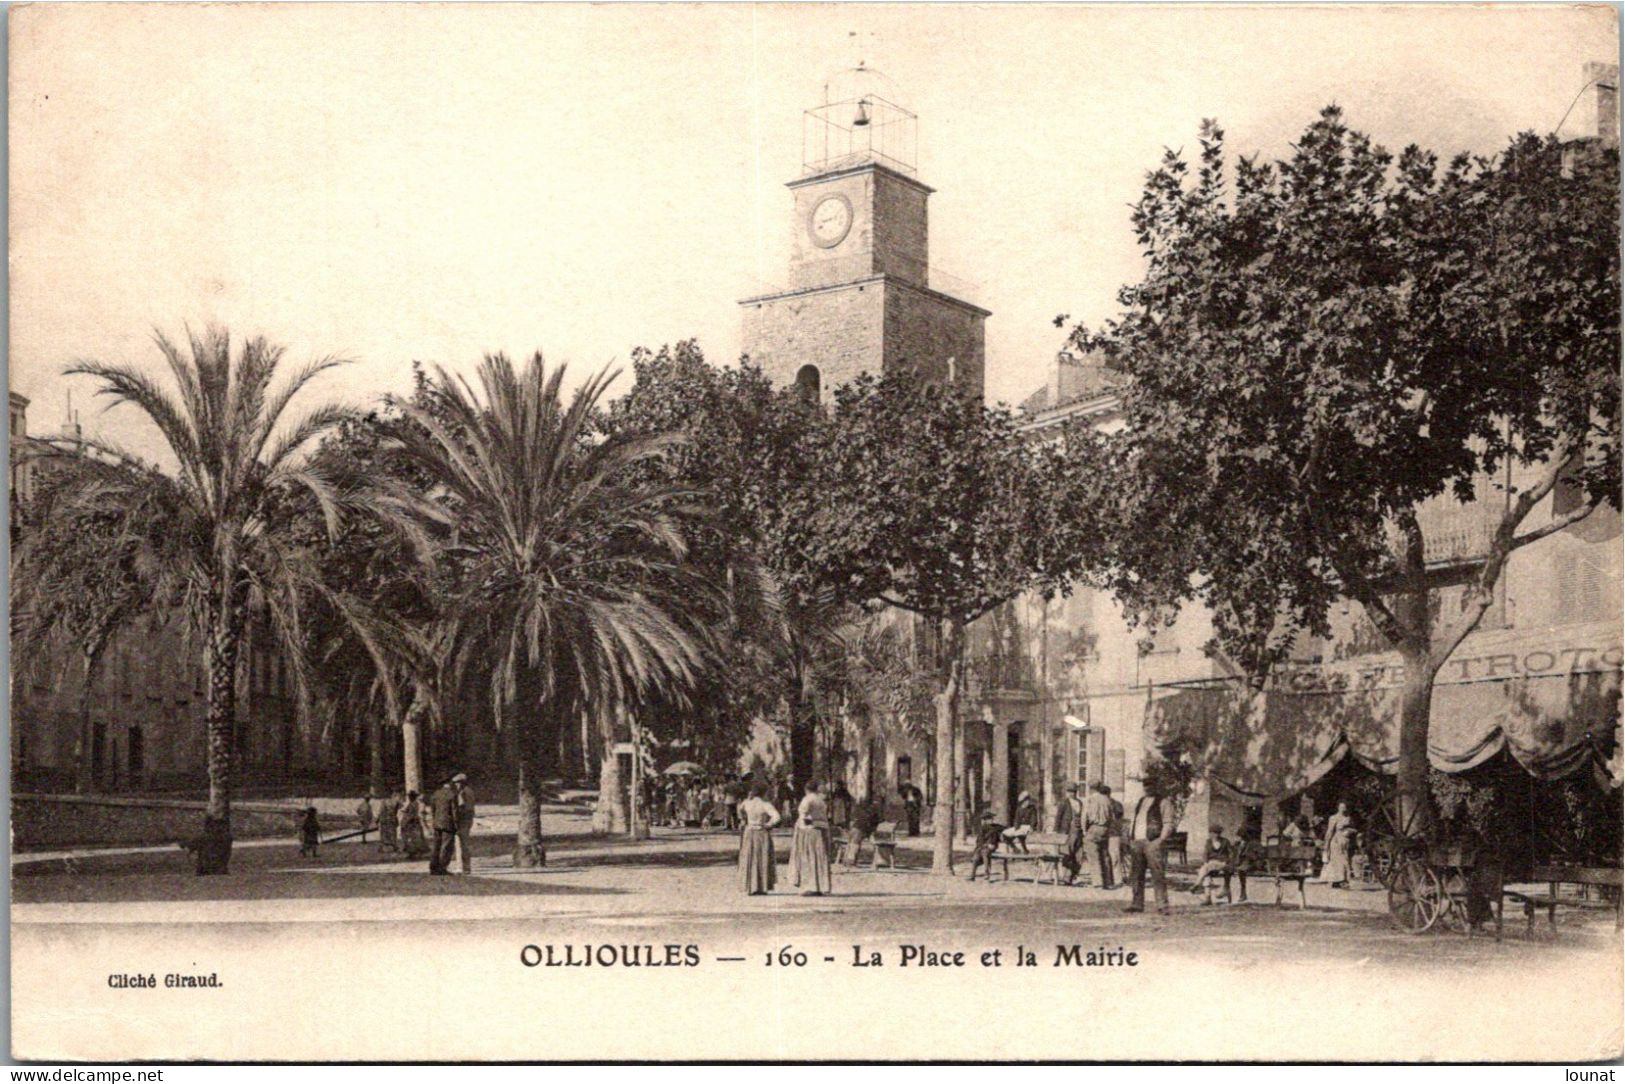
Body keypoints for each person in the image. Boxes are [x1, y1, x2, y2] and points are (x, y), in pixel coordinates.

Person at [1125, 780, 1175, 915]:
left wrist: (1160, 840)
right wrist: (1131, 838)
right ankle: (1137, 904)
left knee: (1157, 874)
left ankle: (1162, 905)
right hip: (1137, 842)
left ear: (1156, 787)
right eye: (1145, 786)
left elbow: (1168, 822)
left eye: (1150, 785)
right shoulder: (1141, 801)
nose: (1147, 788)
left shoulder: (1163, 802)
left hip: (1152, 842)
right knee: (1136, 875)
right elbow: (1135, 820)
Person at [791, 780, 833, 896]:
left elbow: (803, 815)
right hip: (821, 830)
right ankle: (819, 885)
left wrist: (804, 827)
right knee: (819, 857)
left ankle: (810, 886)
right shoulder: (821, 800)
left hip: (810, 830)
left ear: (806, 789)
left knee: (808, 857)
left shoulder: (807, 799)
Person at [737, 781, 780, 895]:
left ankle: (751, 885)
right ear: (764, 792)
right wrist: (769, 824)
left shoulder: (747, 803)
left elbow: (739, 810)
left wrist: (743, 819)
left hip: (749, 830)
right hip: (761, 831)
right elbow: (776, 817)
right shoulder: (765, 804)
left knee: (750, 857)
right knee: (762, 857)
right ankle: (761, 886)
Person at [1084, 782, 1117, 889]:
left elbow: (1085, 816)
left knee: (1093, 855)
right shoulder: (1107, 800)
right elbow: (1112, 817)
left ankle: (1097, 882)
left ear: (1091, 789)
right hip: (1106, 828)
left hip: (1094, 827)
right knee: (1105, 855)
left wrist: (1085, 830)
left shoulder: (1090, 799)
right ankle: (1109, 882)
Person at [1189, 824, 1233, 904]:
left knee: (1205, 869)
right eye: (1212, 833)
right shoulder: (1208, 842)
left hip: (1222, 863)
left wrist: (1226, 861)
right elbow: (1205, 854)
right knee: (1206, 873)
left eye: (1216, 833)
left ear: (1219, 833)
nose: (1214, 835)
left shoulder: (1225, 842)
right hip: (1211, 864)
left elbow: (1231, 854)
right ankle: (1207, 898)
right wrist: (1206, 861)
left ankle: (1197, 884)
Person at [428, 778, 459, 875]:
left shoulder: (436, 794)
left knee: (436, 845)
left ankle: (433, 867)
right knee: (446, 846)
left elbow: (432, 809)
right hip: (448, 823)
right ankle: (442, 867)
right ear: (450, 783)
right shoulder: (452, 795)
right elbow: (454, 811)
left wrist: (434, 821)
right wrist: (456, 824)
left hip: (437, 823)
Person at [1321, 800, 1354, 888]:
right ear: (1338, 807)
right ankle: (1339, 880)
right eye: (1341, 807)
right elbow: (1330, 831)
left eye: (1345, 807)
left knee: (1345, 859)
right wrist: (1326, 844)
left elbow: (1352, 828)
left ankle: (1342, 880)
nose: (1343, 809)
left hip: (1345, 841)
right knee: (1338, 861)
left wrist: (1350, 831)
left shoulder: (1348, 818)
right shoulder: (1333, 818)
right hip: (1336, 841)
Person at [967, 810, 1007, 882]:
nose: (991, 820)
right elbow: (979, 841)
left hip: (992, 846)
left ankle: (986, 875)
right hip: (983, 847)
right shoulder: (982, 829)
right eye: (989, 819)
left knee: (985, 853)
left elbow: (1006, 829)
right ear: (985, 820)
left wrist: (1003, 835)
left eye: (991, 818)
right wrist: (986, 845)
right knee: (976, 858)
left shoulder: (996, 827)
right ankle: (972, 876)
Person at [842, 795, 881, 866]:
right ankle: (851, 860)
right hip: (861, 829)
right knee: (855, 842)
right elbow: (871, 824)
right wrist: (870, 833)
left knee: (853, 842)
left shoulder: (860, 810)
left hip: (857, 829)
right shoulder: (871, 812)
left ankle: (848, 860)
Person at [1057, 784, 1084, 883]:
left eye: (1073, 791)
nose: (1071, 793)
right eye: (1069, 791)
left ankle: (1074, 874)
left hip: (1078, 830)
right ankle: (1066, 877)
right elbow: (1058, 817)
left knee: (1078, 854)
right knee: (1067, 853)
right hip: (1067, 831)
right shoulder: (1064, 803)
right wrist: (1058, 832)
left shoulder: (1079, 802)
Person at [453, 773, 476, 874]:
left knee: (461, 844)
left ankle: (462, 867)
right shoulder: (470, 791)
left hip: (462, 820)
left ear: (462, 783)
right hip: (468, 819)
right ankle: (466, 867)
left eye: (457, 783)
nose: (456, 785)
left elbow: (461, 806)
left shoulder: (462, 793)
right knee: (464, 843)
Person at [399, 790, 428, 859]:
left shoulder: (414, 804)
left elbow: (412, 814)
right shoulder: (412, 803)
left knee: (413, 839)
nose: (409, 797)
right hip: (411, 823)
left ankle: (415, 853)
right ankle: (413, 853)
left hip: (411, 824)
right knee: (412, 839)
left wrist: (405, 822)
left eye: (410, 796)